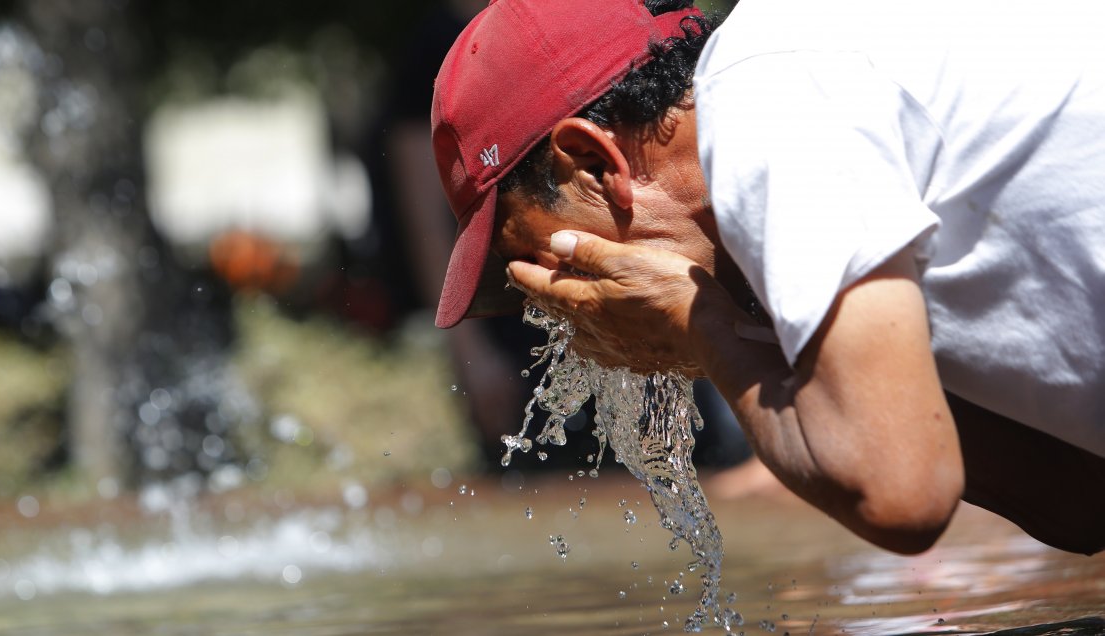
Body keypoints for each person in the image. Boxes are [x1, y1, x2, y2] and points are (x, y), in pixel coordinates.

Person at [426, 0, 1105, 556]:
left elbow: (904, 498)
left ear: (594, 165)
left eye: (540, 260)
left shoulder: (764, 96)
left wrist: (708, 334)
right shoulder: (806, 99)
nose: (557, 306)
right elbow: (1078, 502)